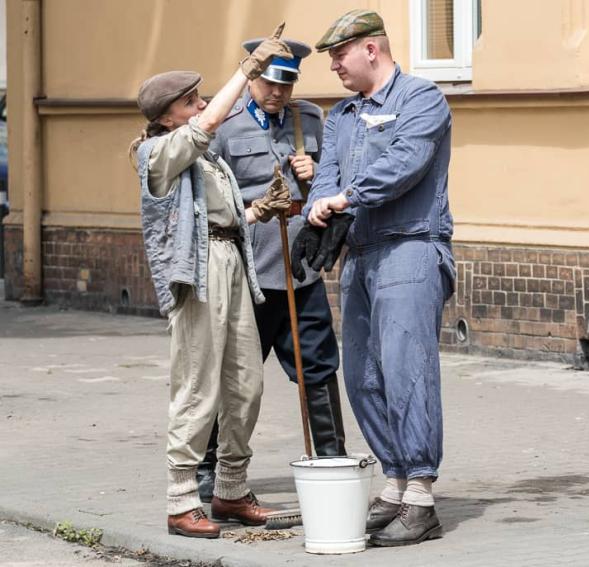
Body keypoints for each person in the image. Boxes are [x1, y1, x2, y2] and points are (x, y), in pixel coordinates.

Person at [295, 9, 456, 547]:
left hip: (411, 248)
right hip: (360, 253)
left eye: (339, 54)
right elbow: (326, 175)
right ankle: (395, 482)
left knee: (407, 367)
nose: (334, 65)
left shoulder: (421, 98)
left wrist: (347, 196)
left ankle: (422, 495)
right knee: (362, 373)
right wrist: (318, 205)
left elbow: (408, 161)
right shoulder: (340, 116)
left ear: (372, 49)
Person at [130, 23, 293, 539]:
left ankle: (230, 489)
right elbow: (210, 123)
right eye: (191, 102)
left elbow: (219, 218)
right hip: (196, 277)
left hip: (230, 262)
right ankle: (182, 501)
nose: (201, 107)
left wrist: (260, 209)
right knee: (197, 386)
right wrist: (246, 72)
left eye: (201, 98)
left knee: (245, 383)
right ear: (166, 116)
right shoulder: (156, 152)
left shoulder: (205, 157)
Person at [194, 34, 347, 501]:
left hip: (299, 270)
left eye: (287, 83)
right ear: (252, 76)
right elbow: (209, 196)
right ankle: (209, 470)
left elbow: (330, 183)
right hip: (247, 273)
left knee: (319, 366)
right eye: (269, 82)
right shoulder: (225, 125)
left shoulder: (309, 120)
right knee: (235, 374)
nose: (278, 92)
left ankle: (332, 461)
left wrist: (314, 172)